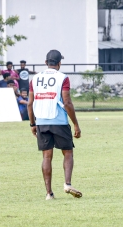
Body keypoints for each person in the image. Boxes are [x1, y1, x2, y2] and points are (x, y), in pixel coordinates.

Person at [27, 50, 82, 200]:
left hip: (41, 121)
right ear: (59, 63)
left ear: (46, 62)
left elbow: (30, 103)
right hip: (59, 121)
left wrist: (32, 124)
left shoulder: (35, 78)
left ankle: (49, 193)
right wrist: (76, 124)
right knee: (68, 152)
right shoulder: (63, 78)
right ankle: (67, 184)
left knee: (46, 156)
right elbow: (67, 102)